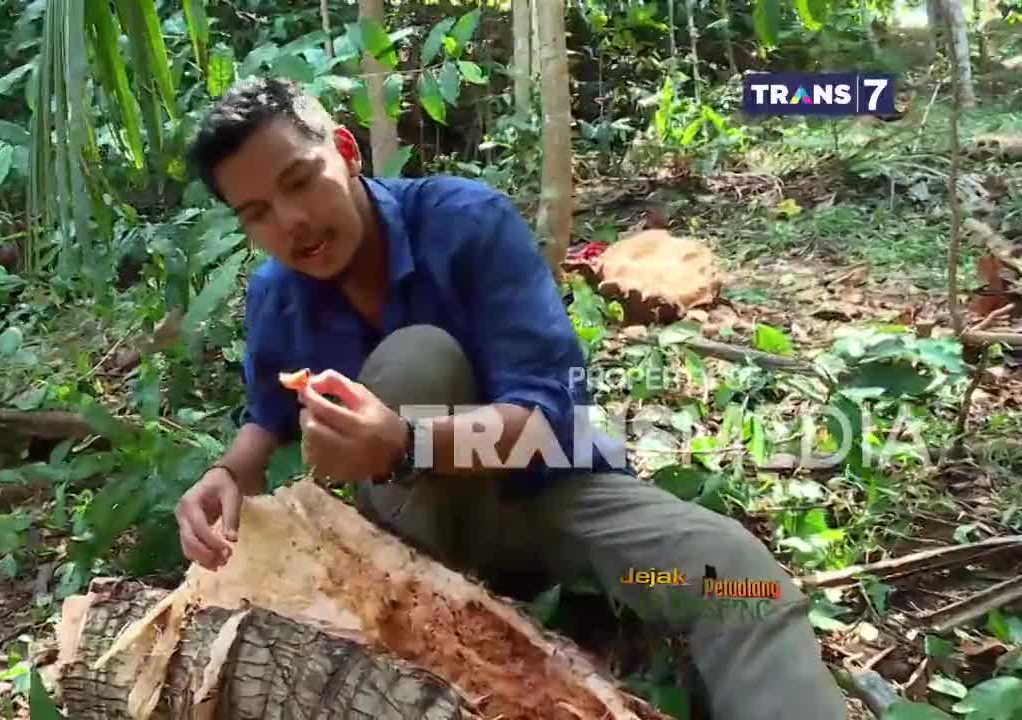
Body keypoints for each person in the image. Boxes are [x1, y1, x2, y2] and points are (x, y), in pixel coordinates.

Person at [173, 76, 847, 720]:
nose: (292, 222)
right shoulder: (277, 294)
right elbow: (268, 416)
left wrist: (403, 444)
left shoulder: (465, 224)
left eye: (300, 180)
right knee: (414, 364)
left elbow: (551, 422)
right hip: (415, 538)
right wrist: (227, 474)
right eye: (257, 213)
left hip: (548, 513)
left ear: (345, 152)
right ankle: (432, 628)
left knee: (732, 581)